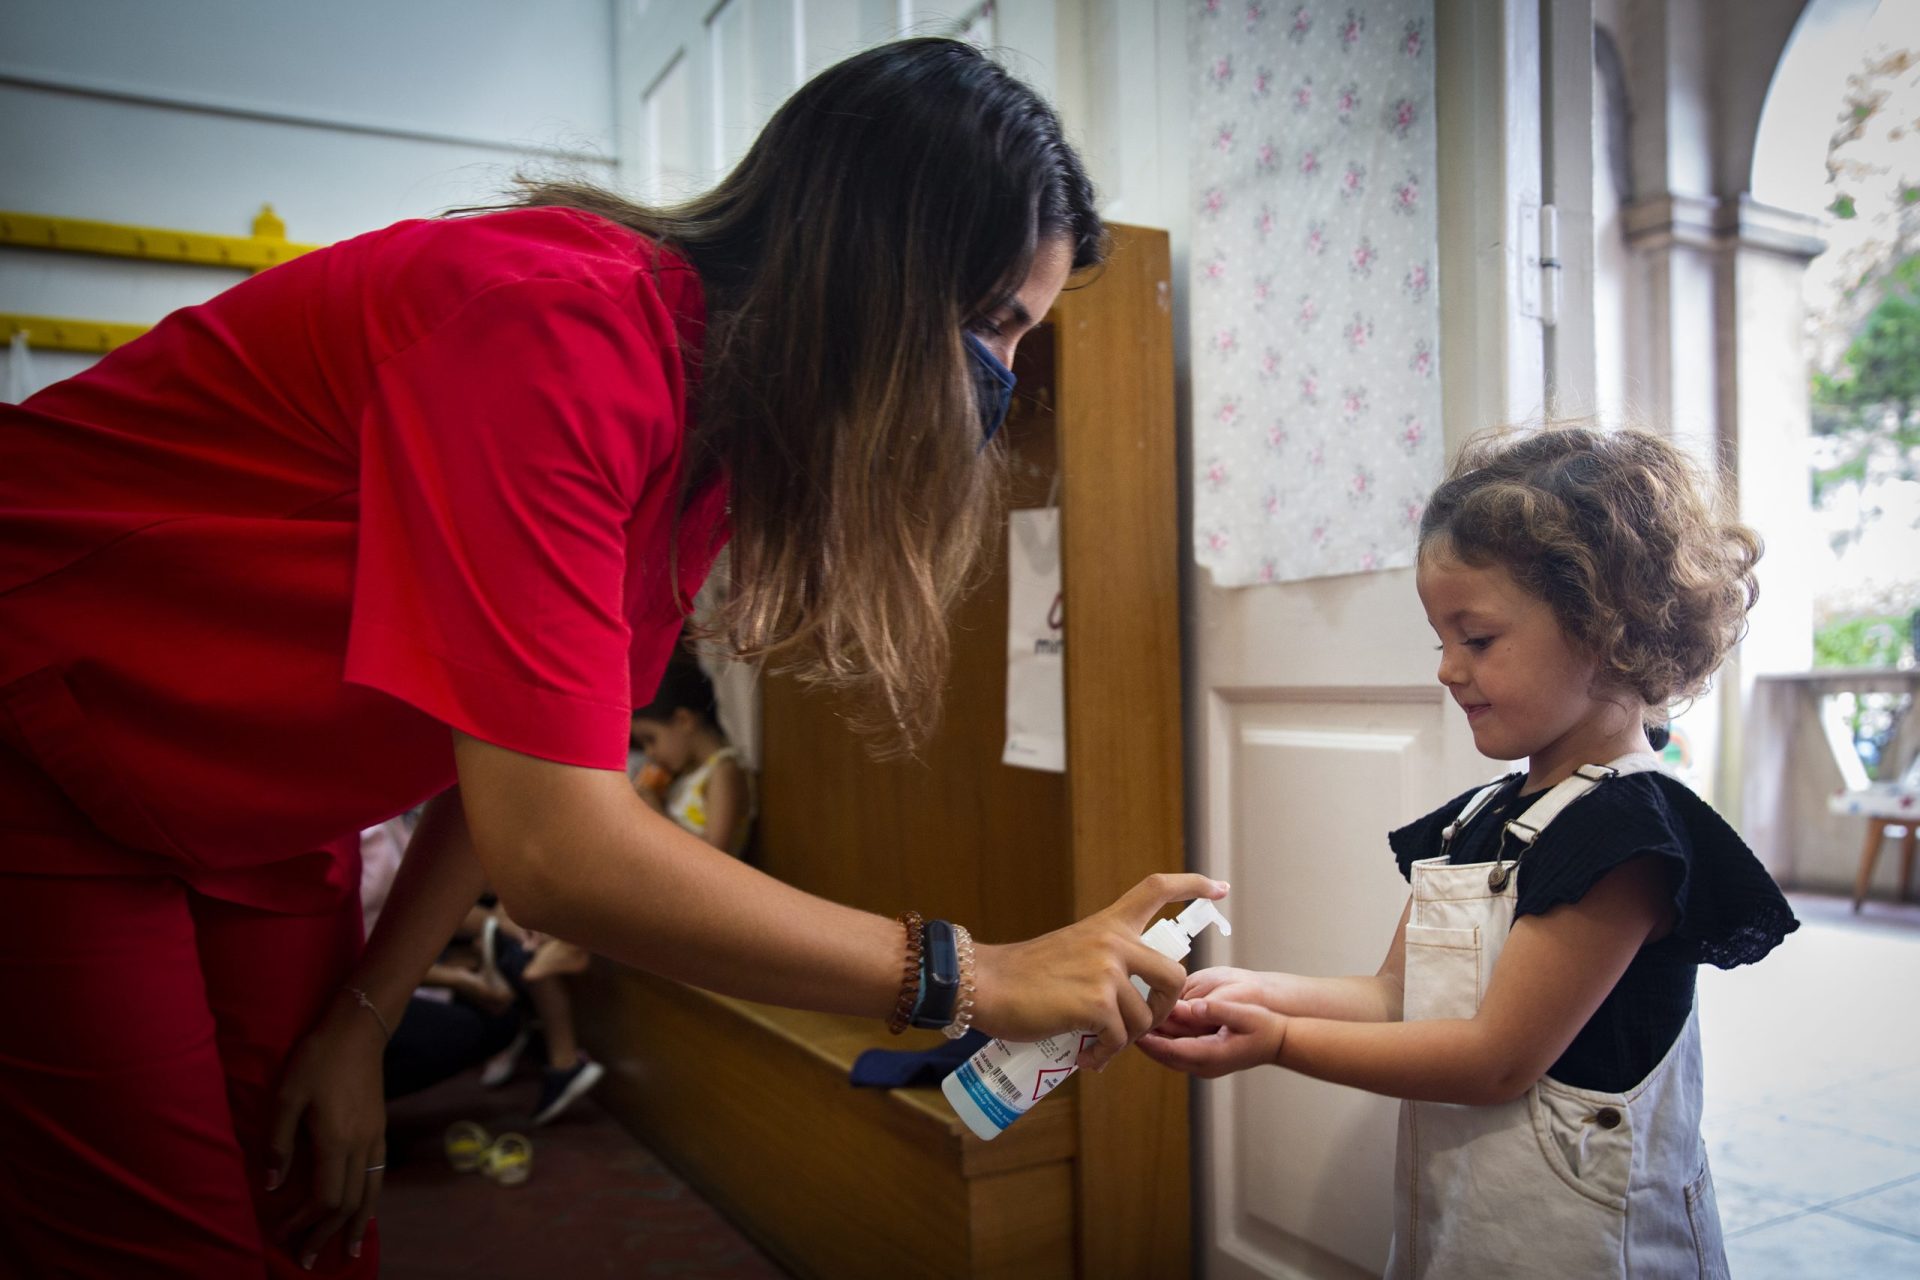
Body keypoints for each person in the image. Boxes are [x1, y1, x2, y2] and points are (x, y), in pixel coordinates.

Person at [0, 38, 1223, 1277]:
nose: (1000, 381)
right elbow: (559, 851)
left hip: (256, 792)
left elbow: (521, 775)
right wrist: (974, 975)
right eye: (995, 326)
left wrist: (366, 1017)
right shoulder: (560, 328)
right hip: (41, 724)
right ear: (878, 271)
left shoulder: (711, 431)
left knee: (315, 1217)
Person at [1139, 426, 1799, 1278]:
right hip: (1466, 1232)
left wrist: (1276, 1043)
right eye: (1439, 639)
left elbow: (1494, 1060)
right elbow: (1393, 998)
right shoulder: (1477, 821)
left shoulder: (1631, 836)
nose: (1448, 670)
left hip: (1587, 1250)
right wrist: (1255, 991)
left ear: (1606, 627)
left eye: (1477, 638)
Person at [629, 655, 754, 857]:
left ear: (684, 720)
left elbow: (715, 854)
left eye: (651, 739)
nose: (649, 752)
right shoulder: (686, 772)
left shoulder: (724, 770)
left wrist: (657, 814)